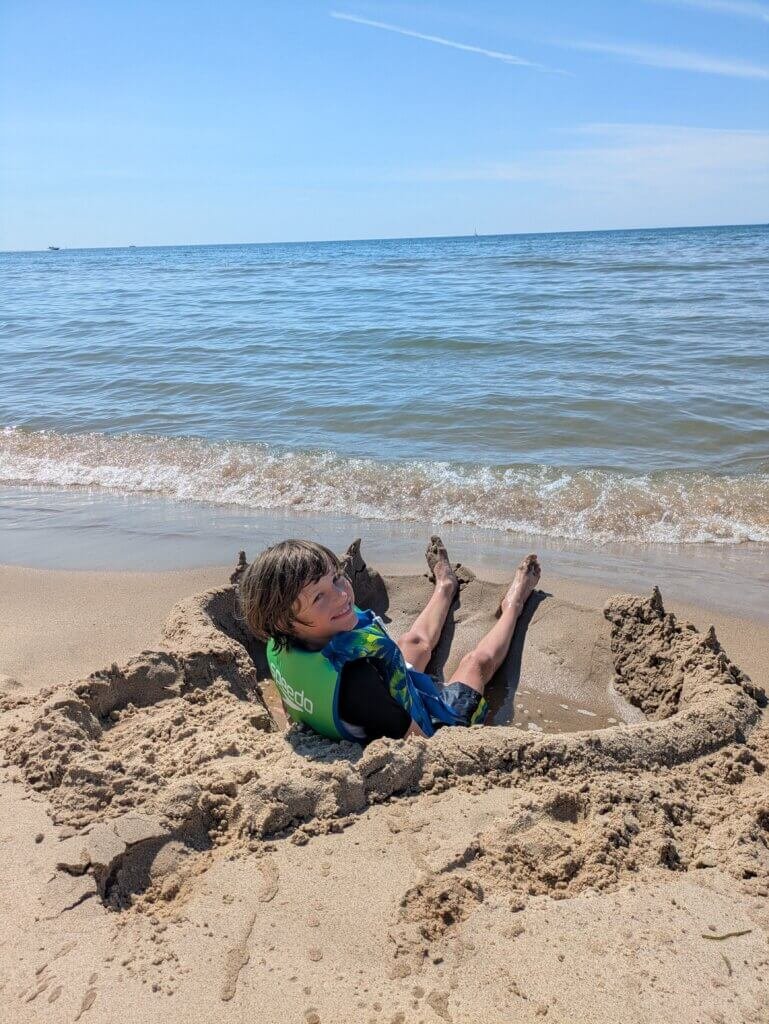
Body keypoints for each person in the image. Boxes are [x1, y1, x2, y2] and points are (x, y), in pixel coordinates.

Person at [239, 537, 540, 744]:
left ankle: (446, 587)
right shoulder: (360, 685)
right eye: (320, 596)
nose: (342, 594)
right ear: (284, 620)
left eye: (337, 578)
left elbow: (296, 704)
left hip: (366, 701)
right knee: (475, 663)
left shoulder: (281, 643)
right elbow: (419, 742)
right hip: (414, 724)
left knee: (413, 643)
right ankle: (513, 605)